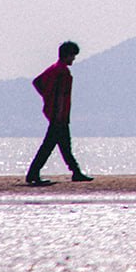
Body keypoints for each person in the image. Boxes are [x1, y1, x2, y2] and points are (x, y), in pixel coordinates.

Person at [25, 41, 93, 186]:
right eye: (72, 56)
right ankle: (33, 173)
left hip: (58, 114)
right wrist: (55, 106)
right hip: (59, 116)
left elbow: (38, 82)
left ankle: (75, 171)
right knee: (50, 146)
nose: (73, 59)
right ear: (67, 55)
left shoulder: (54, 69)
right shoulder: (61, 71)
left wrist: (47, 98)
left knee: (63, 146)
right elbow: (60, 95)